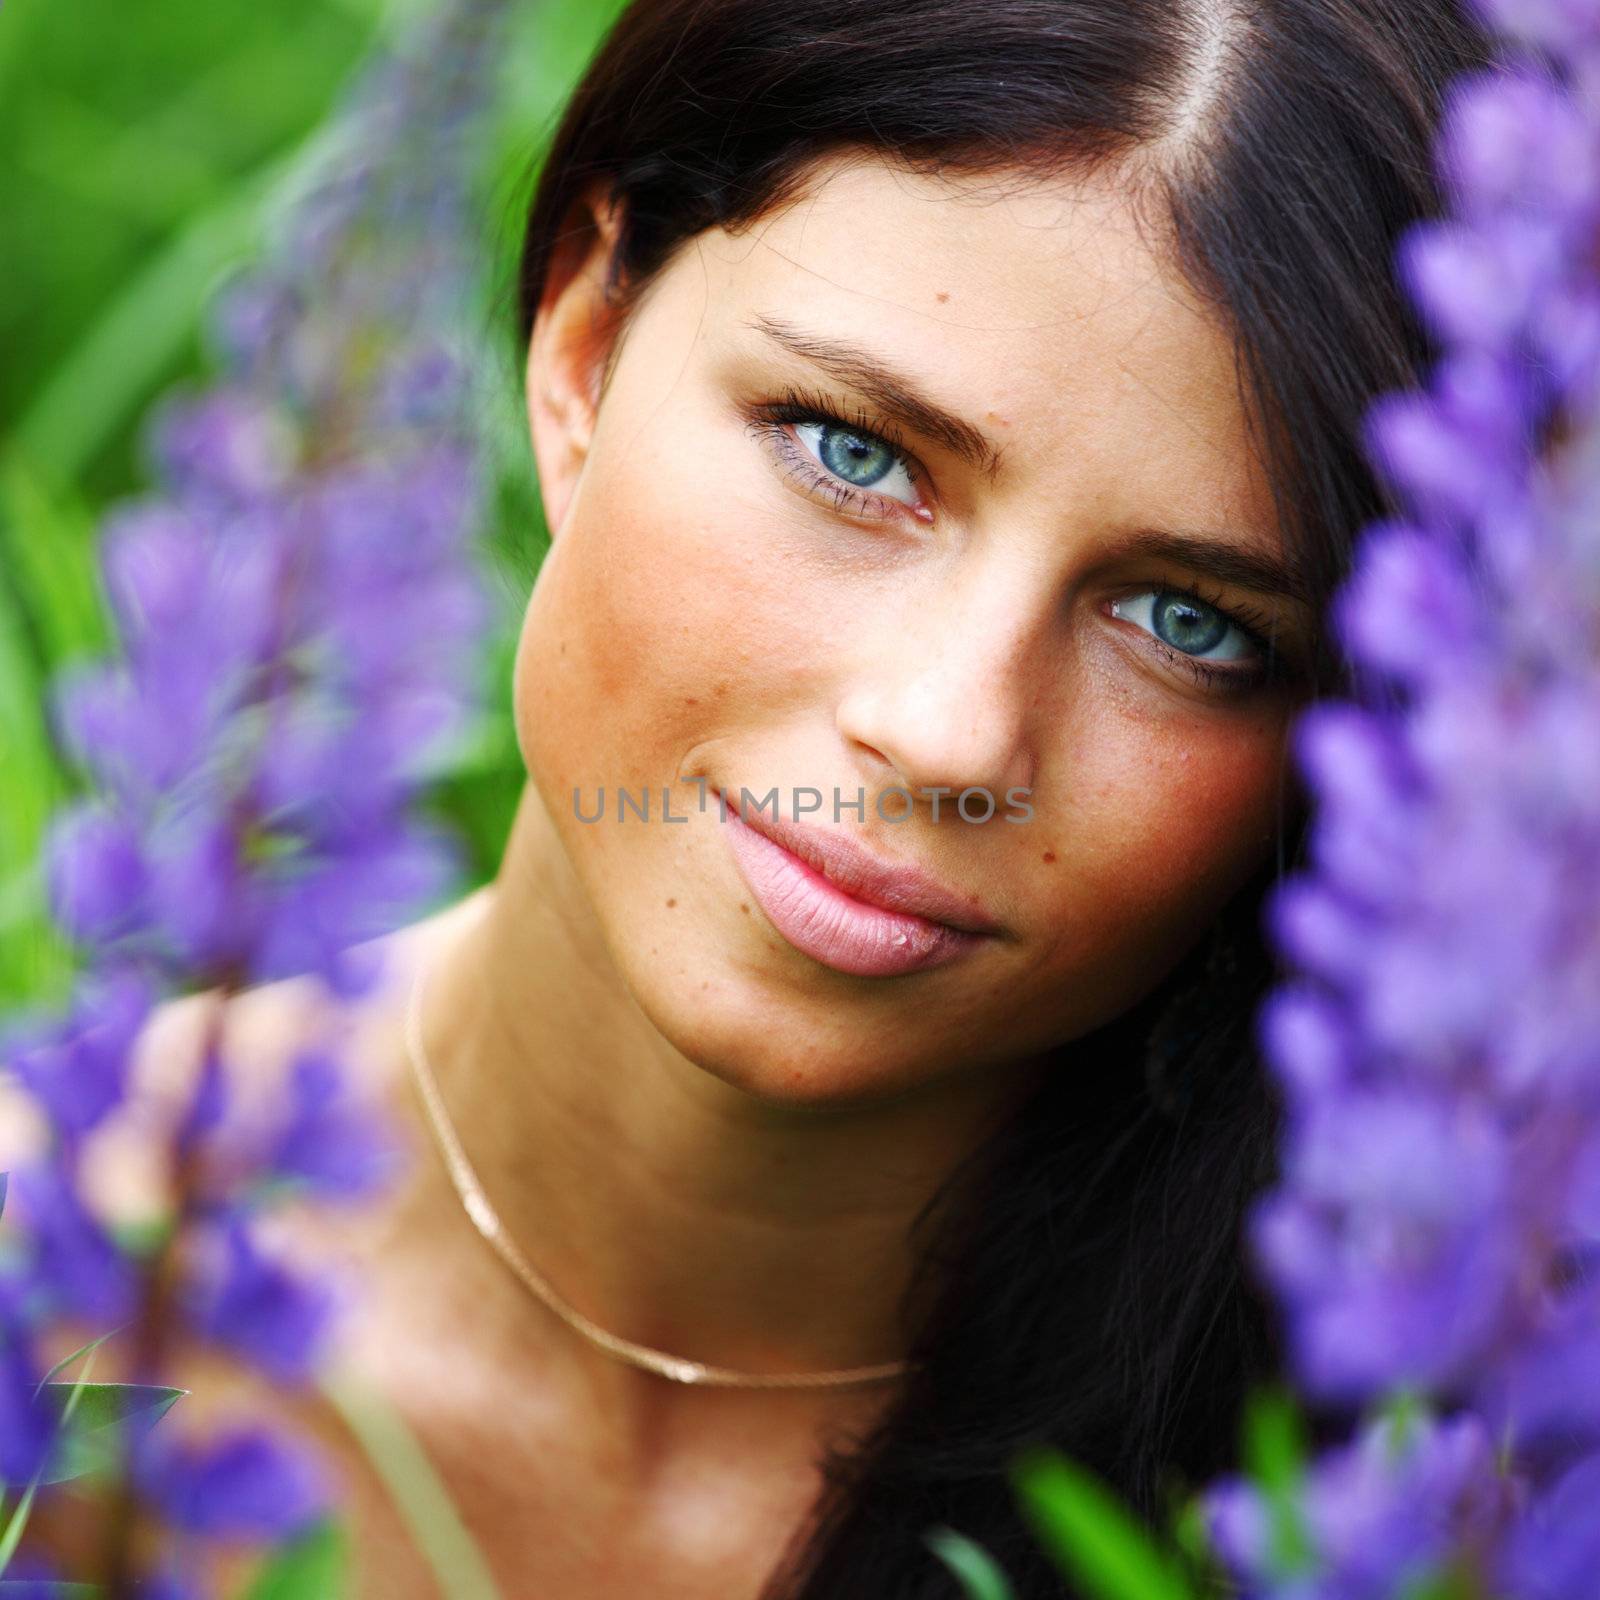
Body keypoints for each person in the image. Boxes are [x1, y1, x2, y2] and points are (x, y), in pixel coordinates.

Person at [90, 0, 1494, 1595]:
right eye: (851, 450)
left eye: (1193, 623)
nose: (950, 732)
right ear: (581, 351)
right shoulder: (56, 1310)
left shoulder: (1406, 1497)